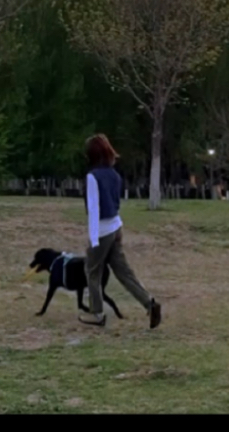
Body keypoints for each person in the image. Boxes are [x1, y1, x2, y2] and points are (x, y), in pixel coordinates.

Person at [79, 133, 161, 329]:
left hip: (102, 230)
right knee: (124, 272)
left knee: (92, 271)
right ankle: (149, 303)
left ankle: (97, 313)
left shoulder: (92, 177)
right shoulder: (115, 175)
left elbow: (93, 209)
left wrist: (93, 240)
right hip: (116, 227)